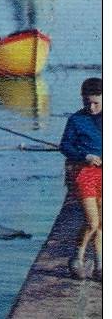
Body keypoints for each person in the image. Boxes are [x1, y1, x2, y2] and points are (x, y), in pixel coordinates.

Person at [60, 77, 102, 279]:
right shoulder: (76, 120)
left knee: (103, 223)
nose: (92, 107)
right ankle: (77, 257)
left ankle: (100, 265)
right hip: (84, 173)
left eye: (96, 103)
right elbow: (65, 146)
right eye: (87, 103)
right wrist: (85, 156)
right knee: (92, 222)